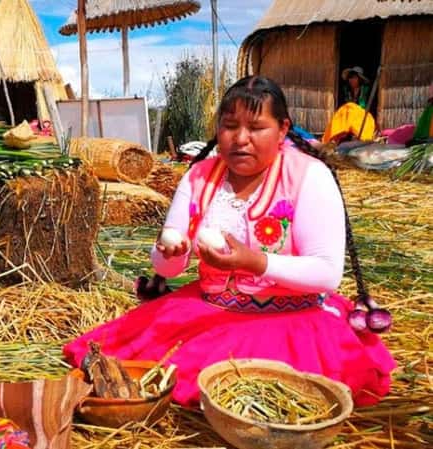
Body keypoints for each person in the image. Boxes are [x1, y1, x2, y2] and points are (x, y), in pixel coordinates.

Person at [65, 76, 395, 407]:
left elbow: (326, 273)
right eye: (230, 126)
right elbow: (166, 265)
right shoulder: (200, 176)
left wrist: (254, 262)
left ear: (282, 129)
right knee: (133, 368)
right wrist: (172, 253)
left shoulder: (309, 176)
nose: (240, 139)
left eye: (256, 127)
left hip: (291, 322)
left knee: (259, 396)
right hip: (208, 309)